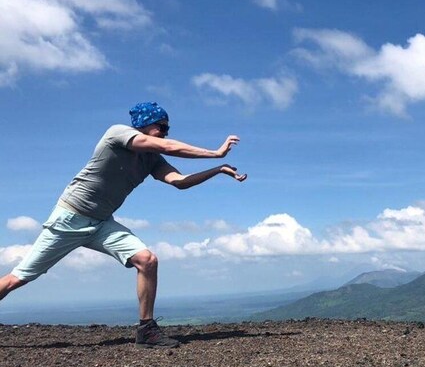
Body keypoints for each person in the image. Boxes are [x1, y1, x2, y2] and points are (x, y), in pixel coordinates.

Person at [0, 102, 247, 348]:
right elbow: (166, 146)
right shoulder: (117, 133)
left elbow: (180, 181)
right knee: (17, 279)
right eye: (161, 126)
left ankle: (146, 330)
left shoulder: (152, 160)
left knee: (147, 260)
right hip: (70, 218)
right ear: (143, 124)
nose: (165, 131)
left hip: (102, 223)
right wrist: (215, 153)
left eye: (167, 128)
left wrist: (218, 169)